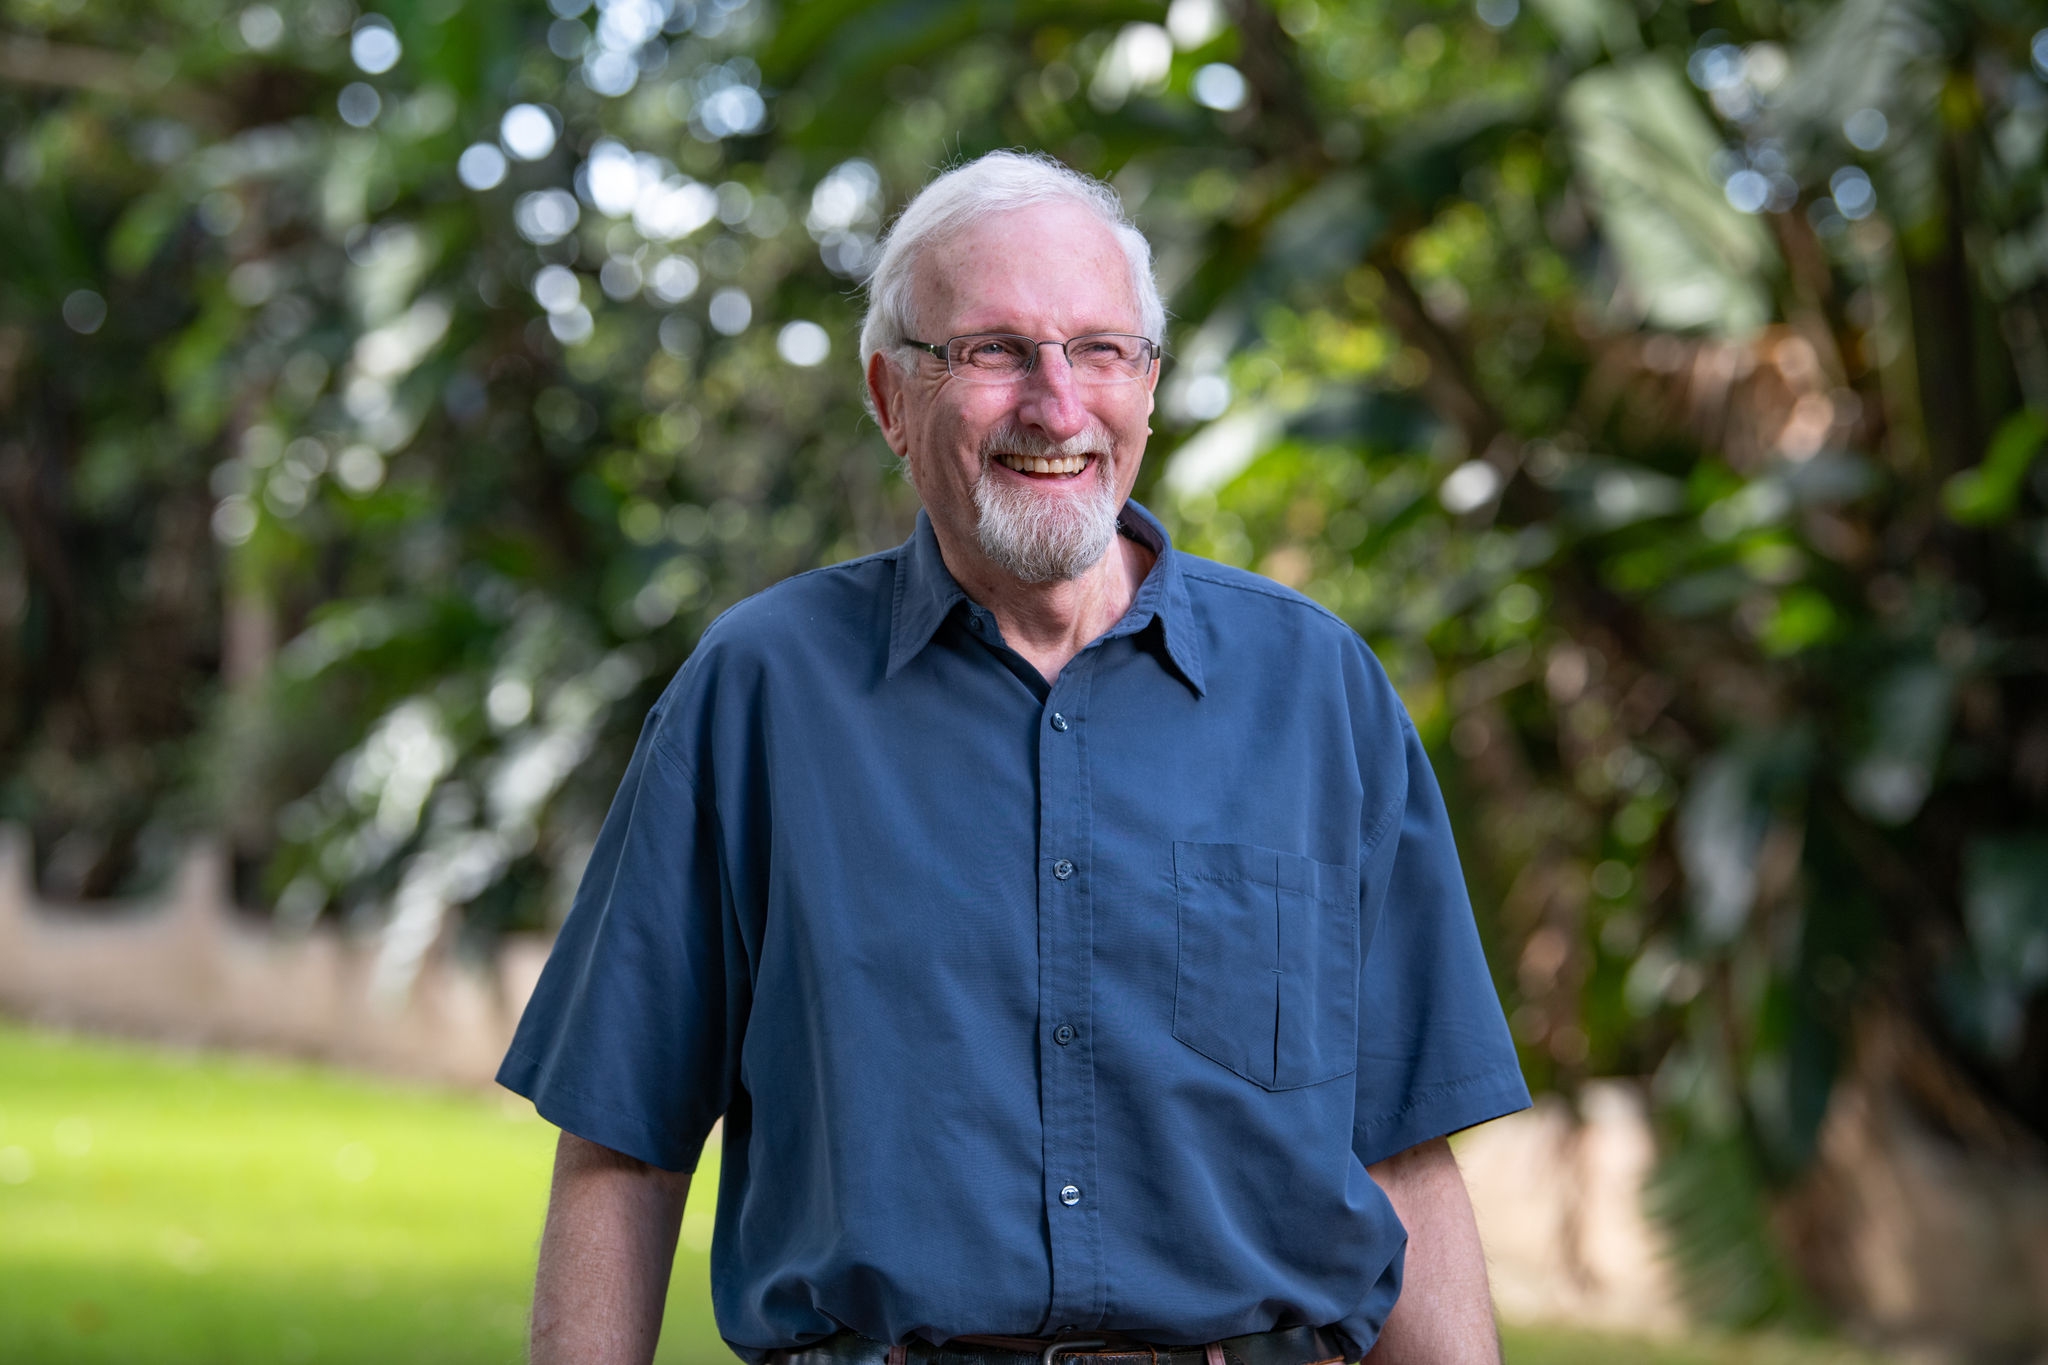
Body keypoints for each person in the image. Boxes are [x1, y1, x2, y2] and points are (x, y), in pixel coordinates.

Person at [498, 150, 1530, 1365]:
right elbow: (623, 1148)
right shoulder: (758, 693)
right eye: (993, 352)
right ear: (890, 396)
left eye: (1100, 350)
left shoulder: (1316, 695)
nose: (1055, 404)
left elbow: (1402, 1148)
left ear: (1147, 386)